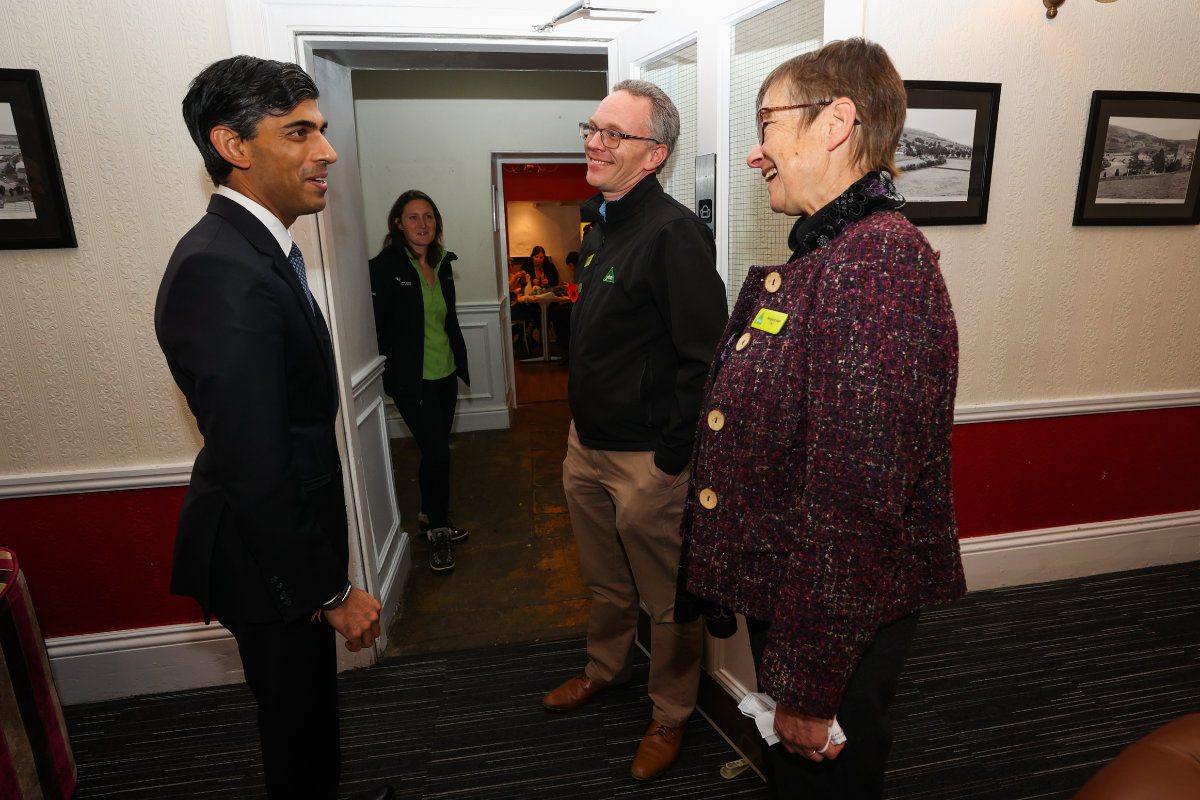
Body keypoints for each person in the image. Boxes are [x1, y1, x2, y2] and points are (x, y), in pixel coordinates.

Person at [675, 38, 966, 799]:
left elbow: (856, 499)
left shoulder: (874, 263)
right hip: (805, 597)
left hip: (836, 611)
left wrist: (806, 685)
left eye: (767, 122)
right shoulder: (834, 254)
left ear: (835, 122)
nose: (754, 153)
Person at [155, 56, 392, 800]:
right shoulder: (220, 267)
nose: (325, 151)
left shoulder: (258, 248)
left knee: (309, 721)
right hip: (269, 567)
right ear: (233, 146)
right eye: (298, 132)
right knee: (296, 734)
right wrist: (329, 589)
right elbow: (254, 463)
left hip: (280, 553)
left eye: (321, 130)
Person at [542, 79, 728, 781]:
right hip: (584, 449)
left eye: (614, 133)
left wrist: (672, 461)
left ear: (654, 155)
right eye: (593, 126)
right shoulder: (601, 227)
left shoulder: (675, 233)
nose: (595, 140)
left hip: (647, 463)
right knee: (605, 583)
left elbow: (703, 359)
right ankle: (605, 669)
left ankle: (671, 715)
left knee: (668, 601)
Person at [369, 190, 470, 574]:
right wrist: (388, 370)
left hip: (444, 375)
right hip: (412, 381)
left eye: (428, 216)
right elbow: (376, 327)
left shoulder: (443, 262)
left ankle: (429, 515)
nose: (422, 224)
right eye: (413, 217)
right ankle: (440, 530)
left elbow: (447, 320)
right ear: (398, 224)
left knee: (435, 450)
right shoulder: (383, 267)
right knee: (439, 451)